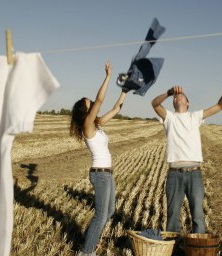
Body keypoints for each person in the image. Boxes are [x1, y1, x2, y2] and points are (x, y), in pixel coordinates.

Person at [151, 81, 222, 234]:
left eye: (181, 95)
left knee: (197, 216)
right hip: (174, 174)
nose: (178, 96)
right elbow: (155, 104)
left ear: (188, 103)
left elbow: (220, 106)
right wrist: (169, 92)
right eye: (175, 97)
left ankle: (198, 249)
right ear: (173, 102)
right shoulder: (169, 117)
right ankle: (174, 249)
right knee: (172, 216)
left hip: (194, 174)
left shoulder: (195, 116)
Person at [70, 60, 127, 255]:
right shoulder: (88, 125)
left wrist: (125, 90)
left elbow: (116, 109)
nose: (94, 104)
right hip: (99, 174)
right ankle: (86, 252)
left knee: (109, 212)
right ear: (85, 112)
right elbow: (100, 100)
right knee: (101, 214)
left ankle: (89, 237)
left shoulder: (97, 123)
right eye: (90, 104)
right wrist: (108, 77)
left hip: (108, 174)